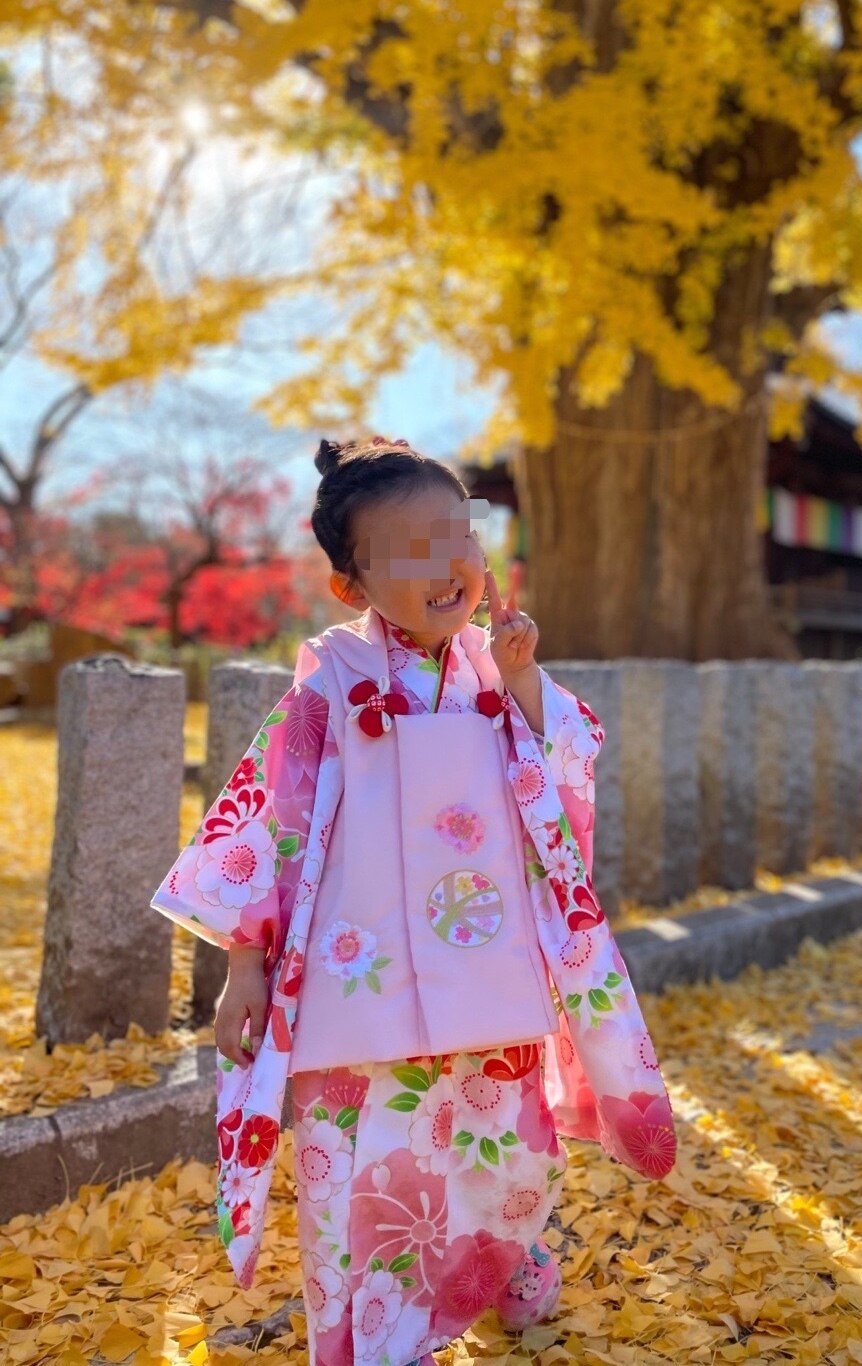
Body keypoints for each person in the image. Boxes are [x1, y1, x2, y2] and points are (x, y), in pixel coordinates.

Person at [150, 436, 676, 1366]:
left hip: (485, 961)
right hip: (361, 974)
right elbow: (270, 824)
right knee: (358, 1166)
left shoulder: (493, 669)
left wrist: (521, 682)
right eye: (411, 553)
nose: (447, 568)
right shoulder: (330, 686)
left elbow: (567, 782)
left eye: (457, 537)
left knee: (498, 1144)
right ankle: (380, 1335)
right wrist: (243, 966)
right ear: (352, 588)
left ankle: (498, 1257)